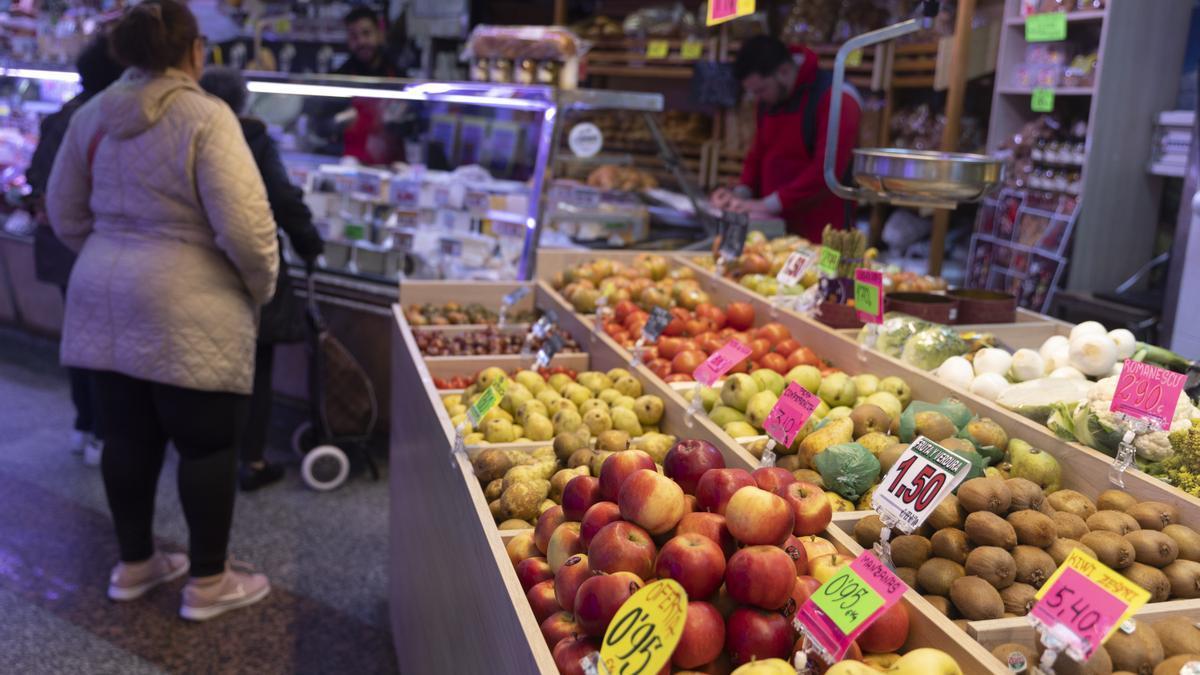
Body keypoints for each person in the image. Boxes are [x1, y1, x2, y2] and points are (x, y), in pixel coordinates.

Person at [47, 0, 278, 620]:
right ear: (194, 51)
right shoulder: (208, 116)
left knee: (124, 437)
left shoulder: (91, 114)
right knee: (206, 446)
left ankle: (135, 564)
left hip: (103, 297)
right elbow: (247, 229)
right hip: (191, 302)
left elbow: (63, 211)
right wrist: (260, 286)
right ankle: (208, 583)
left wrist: (112, 253)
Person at [199, 66, 326, 491]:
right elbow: (283, 199)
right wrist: (308, 243)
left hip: (199, 270)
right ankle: (250, 460)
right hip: (248, 271)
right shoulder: (253, 137)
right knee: (256, 366)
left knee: (206, 367)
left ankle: (207, 450)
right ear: (243, 101)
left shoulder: (188, 134)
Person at [25, 34, 124, 464]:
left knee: (80, 336)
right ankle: (102, 431)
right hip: (91, 245)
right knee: (101, 343)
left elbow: (35, 177)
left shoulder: (63, 116)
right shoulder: (103, 120)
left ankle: (84, 425)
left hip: (61, 247)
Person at [711, 35, 862, 239]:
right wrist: (739, 195)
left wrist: (767, 205)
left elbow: (826, 173)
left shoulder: (838, 98)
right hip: (775, 228)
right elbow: (758, 152)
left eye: (761, 90)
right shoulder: (769, 99)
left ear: (783, 71)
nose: (758, 98)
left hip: (823, 232)